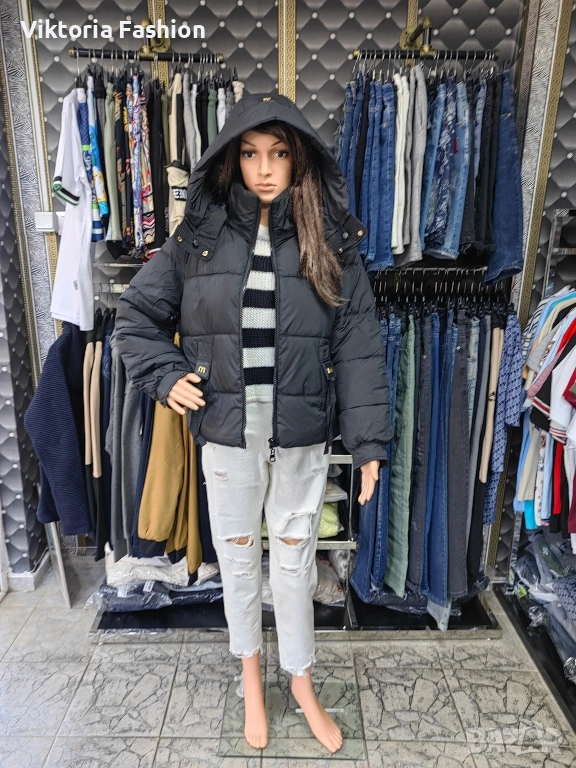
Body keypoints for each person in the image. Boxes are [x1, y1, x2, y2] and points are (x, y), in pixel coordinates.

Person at [115, 93, 392, 754]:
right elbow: (134, 318)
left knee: (294, 562)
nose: (264, 168)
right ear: (231, 159)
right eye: (250, 154)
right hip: (227, 433)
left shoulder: (330, 239)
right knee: (239, 563)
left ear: (299, 159)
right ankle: (250, 676)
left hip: (300, 433)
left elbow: (358, 343)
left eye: (278, 153)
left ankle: (300, 680)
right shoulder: (199, 238)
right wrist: (166, 375)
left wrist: (368, 442)